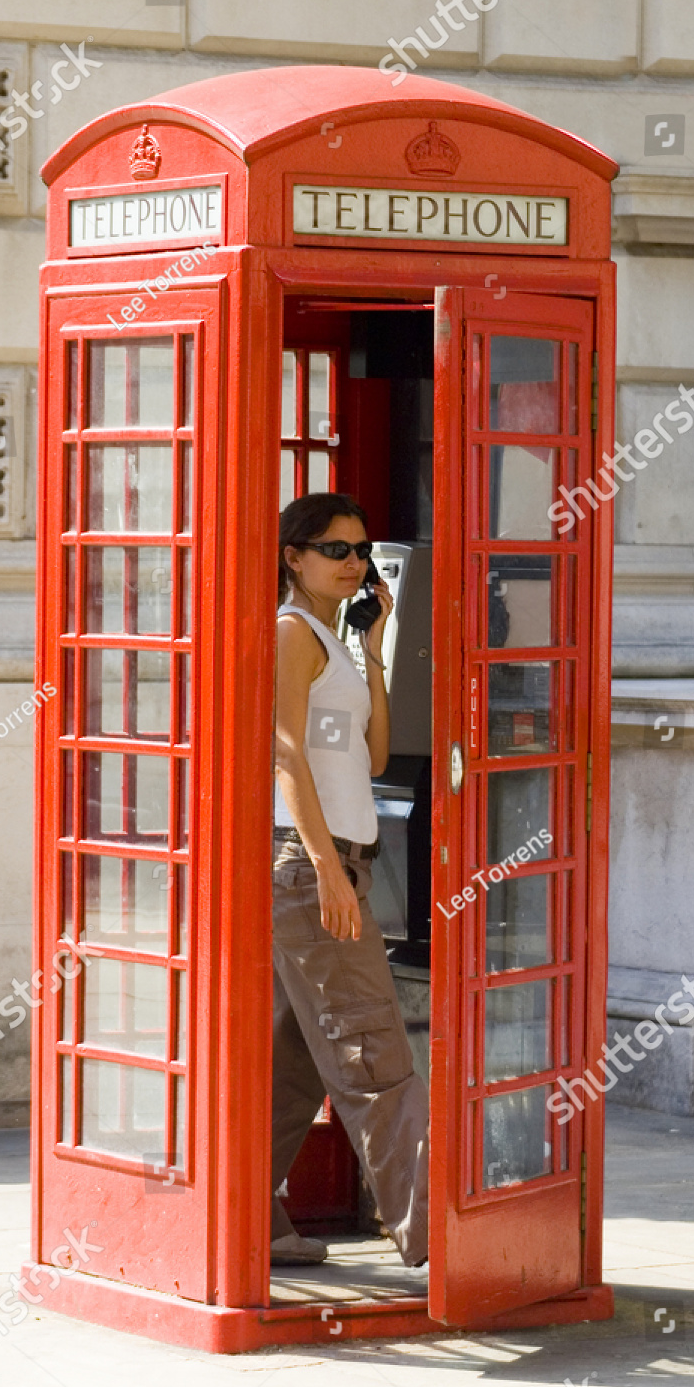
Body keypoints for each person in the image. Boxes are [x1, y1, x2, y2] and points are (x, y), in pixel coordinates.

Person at [270, 492, 429, 1268]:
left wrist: (373, 639)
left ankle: (247, 1221)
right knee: (375, 1054)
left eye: (361, 549)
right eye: (335, 549)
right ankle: (435, 1231)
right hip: (312, 866)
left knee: (294, 1062)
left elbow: (370, 758)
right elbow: (284, 755)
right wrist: (327, 872)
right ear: (292, 556)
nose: (354, 562)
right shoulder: (292, 635)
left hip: (333, 862)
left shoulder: (334, 643)